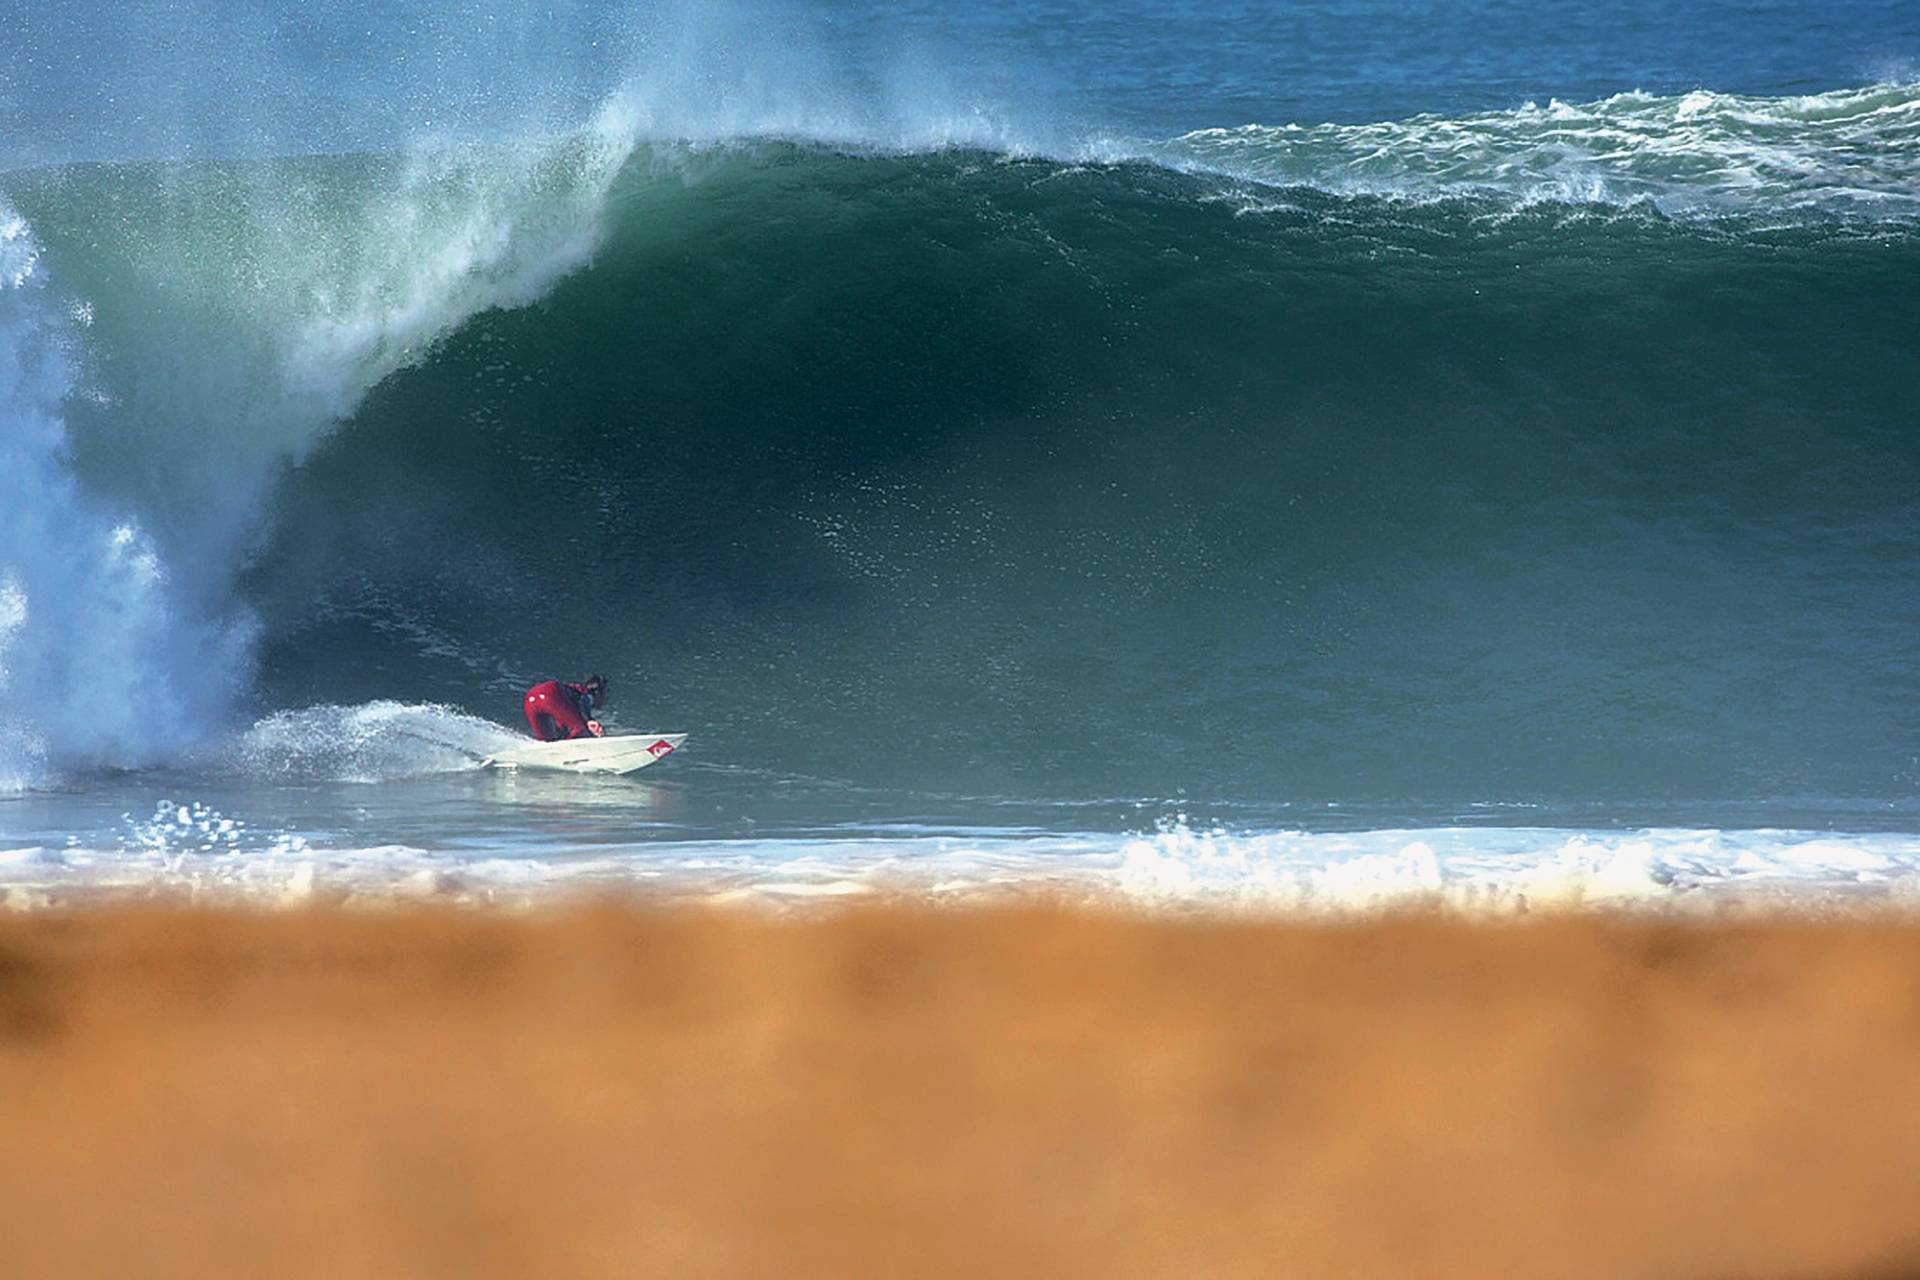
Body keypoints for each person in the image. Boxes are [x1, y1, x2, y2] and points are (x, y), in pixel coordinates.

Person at [522, 674, 609, 741]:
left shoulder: (570, 700)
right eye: (606, 692)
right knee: (580, 729)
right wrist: (588, 720)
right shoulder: (589, 694)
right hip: (550, 692)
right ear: (599, 692)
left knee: (545, 741)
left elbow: (562, 722)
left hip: (530, 698)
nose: (605, 698)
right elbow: (584, 701)